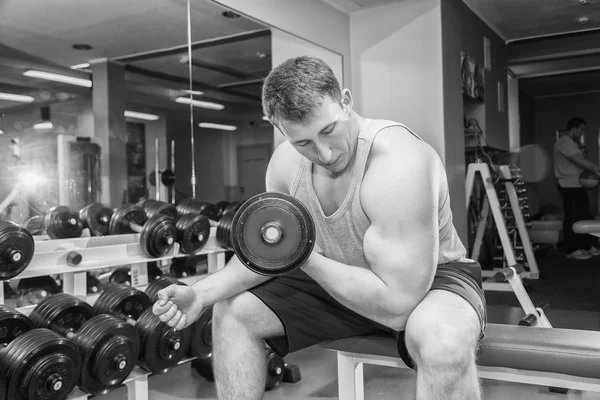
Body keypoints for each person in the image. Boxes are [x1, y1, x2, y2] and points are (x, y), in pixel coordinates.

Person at [153, 56, 486, 400]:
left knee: (444, 344)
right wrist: (202, 294)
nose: (324, 153)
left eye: (328, 130)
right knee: (233, 311)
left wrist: (302, 254)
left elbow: (398, 305)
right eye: (303, 142)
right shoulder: (284, 165)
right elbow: (270, 253)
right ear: (277, 127)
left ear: (345, 101)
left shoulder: (398, 164)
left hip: (427, 282)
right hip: (335, 274)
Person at [553, 117, 600, 260]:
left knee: (584, 215)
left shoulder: (573, 144)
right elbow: (578, 161)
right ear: (573, 129)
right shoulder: (563, 142)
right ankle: (572, 250)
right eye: (581, 130)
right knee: (572, 217)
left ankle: (585, 245)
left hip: (577, 184)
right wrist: (597, 168)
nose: (582, 133)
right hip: (567, 185)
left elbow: (580, 162)